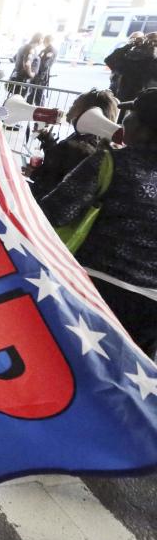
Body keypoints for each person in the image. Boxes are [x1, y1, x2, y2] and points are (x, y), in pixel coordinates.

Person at [39, 88, 157, 359]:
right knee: (127, 381)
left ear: (144, 128)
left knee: (73, 367)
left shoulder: (111, 162)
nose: (124, 120)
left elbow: (54, 213)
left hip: (97, 289)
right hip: (151, 304)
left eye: (132, 115)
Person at [29, 88, 118, 200]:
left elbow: (55, 180)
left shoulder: (82, 145)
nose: (71, 107)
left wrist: (35, 173)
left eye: (75, 104)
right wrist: (47, 139)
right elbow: (60, 160)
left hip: (47, 205)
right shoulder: (86, 137)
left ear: (88, 111)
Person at [29, 35, 58, 106]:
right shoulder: (45, 50)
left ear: (46, 41)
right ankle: (29, 107)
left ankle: (40, 110)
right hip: (38, 75)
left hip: (42, 76)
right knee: (33, 94)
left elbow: (45, 64)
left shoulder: (51, 50)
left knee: (39, 95)